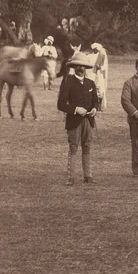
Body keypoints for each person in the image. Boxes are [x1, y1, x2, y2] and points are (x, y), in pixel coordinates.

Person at [56, 51, 100, 185]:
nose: (81, 68)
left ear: (86, 68)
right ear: (74, 67)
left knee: (87, 147)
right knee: (73, 147)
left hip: (88, 120)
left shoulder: (90, 83)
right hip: (74, 121)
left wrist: (94, 110)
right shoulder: (68, 82)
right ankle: (71, 177)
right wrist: (75, 109)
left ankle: (88, 176)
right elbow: (61, 104)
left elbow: (95, 102)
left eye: (83, 66)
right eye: (78, 66)